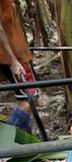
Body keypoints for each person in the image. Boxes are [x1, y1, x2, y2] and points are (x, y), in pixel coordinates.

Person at [0, 0, 39, 132]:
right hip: (13, 54)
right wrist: (13, 61)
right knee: (31, 97)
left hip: (12, 53)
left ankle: (22, 139)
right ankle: (8, 137)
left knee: (26, 97)